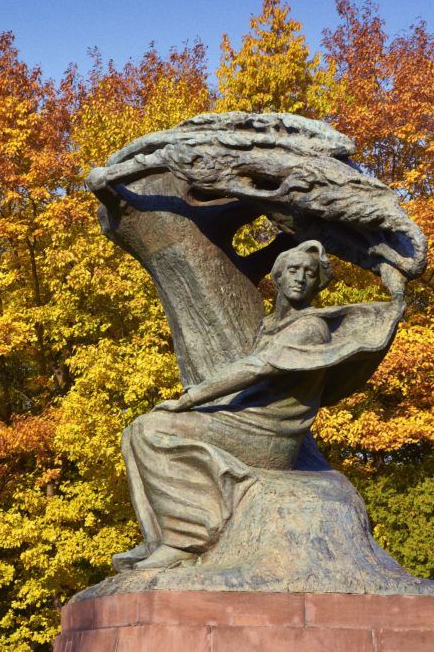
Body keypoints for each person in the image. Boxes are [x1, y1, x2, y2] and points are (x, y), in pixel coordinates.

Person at [115, 240, 356, 571]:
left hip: (268, 436)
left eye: (310, 274)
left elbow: (256, 368)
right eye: (293, 271)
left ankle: (185, 541)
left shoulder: (310, 329)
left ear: (317, 283)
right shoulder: (271, 325)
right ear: (278, 277)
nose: (300, 278)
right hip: (246, 419)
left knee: (149, 428)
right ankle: (158, 538)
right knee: (132, 432)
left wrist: (189, 399)